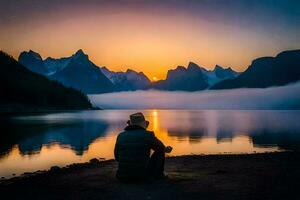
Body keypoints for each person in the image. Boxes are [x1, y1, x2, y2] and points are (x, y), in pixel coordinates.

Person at [114, 112, 172, 182]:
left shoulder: (120, 135)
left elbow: (117, 157)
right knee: (160, 151)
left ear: (130, 124)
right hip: (143, 177)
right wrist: (166, 149)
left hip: (122, 177)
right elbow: (161, 147)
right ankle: (159, 175)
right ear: (144, 124)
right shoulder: (148, 135)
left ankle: (128, 172)